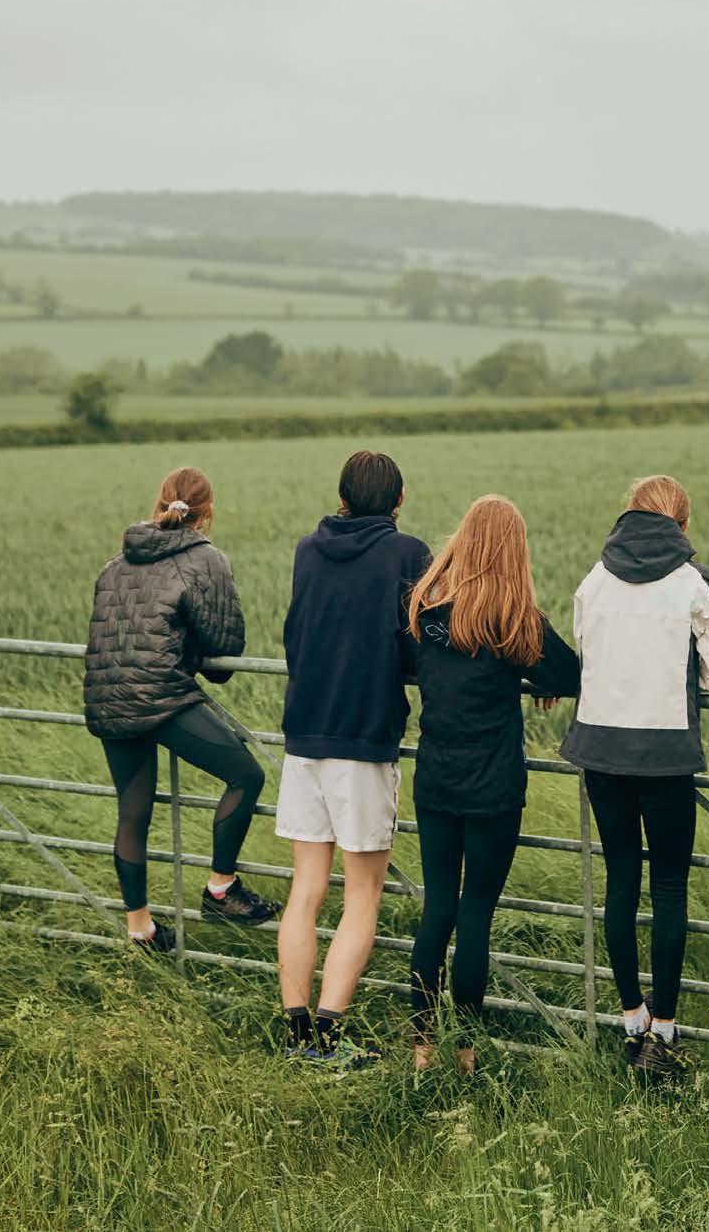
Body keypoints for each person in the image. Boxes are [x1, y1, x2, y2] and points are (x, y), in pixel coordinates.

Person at [559, 474, 709, 1082]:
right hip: (664, 755)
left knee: (620, 882)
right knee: (669, 890)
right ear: (681, 524)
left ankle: (631, 1018)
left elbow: (587, 656)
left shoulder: (594, 579)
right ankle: (664, 1032)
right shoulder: (698, 582)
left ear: (629, 515)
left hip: (600, 752)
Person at [405, 495, 580, 1073]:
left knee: (437, 909)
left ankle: (421, 1047)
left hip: (435, 781)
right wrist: (537, 679)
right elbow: (569, 673)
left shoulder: (425, 612)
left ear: (462, 541)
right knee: (475, 912)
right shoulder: (516, 620)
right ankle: (466, 1052)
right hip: (493, 788)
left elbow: (409, 665)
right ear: (513, 552)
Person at [274, 450, 431, 1068]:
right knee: (363, 894)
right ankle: (329, 1039)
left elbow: (295, 632)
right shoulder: (407, 553)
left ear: (341, 496)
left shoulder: (307, 550)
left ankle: (296, 1037)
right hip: (364, 739)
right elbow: (415, 642)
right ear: (398, 499)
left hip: (304, 735)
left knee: (306, 889)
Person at [84, 465, 278, 951]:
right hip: (160, 694)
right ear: (206, 511)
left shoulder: (115, 563)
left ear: (161, 502)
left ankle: (141, 930)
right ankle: (221, 889)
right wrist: (193, 655)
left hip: (108, 697)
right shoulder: (205, 559)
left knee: (133, 812)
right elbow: (223, 649)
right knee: (246, 776)